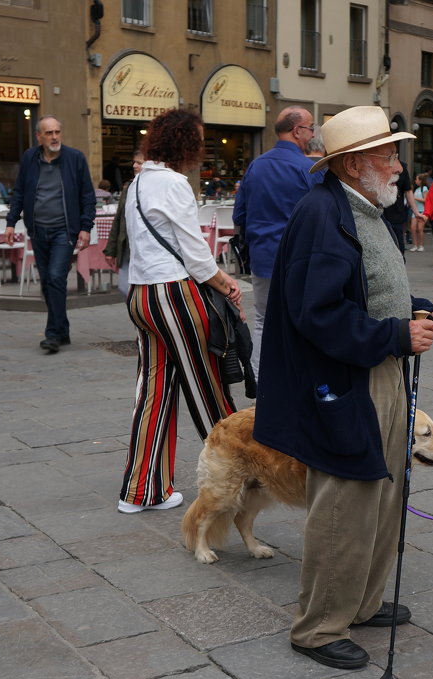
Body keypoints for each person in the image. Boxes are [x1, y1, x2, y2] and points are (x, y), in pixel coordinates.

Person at [254, 105, 433, 670]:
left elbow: (369, 295)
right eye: (387, 153)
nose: (399, 164)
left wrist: (423, 313)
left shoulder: (363, 208)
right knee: (346, 505)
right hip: (346, 381)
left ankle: (361, 605)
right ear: (351, 164)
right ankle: (319, 628)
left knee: (383, 496)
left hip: (379, 369)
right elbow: (317, 314)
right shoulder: (325, 215)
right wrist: (398, 331)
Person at [118, 109, 244, 514]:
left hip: (141, 295)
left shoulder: (138, 182)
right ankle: (241, 478)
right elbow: (196, 255)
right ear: (184, 144)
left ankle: (140, 492)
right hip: (173, 294)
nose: (202, 149)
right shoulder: (174, 184)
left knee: (153, 394)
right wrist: (226, 283)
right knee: (208, 389)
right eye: (199, 141)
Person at [232, 107, 323, 381]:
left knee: (262, 321)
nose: (312, 133)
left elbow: (240, 215)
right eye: (310, 128)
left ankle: (261, 383)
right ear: (297, 131)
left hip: (263, 258)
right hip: (301, 260)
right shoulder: (309, 169)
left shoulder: (256, 165)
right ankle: (298, 380)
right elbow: (323, 215)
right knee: (302, 321)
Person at [4, 114, 96, 354]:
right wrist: (11, 222)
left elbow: (87, 195)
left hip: (64, 230)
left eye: (57, 132)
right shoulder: (29, 158)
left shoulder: (75, 158)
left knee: (56, 276)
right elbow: (20, 192)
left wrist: (86, 227)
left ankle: (52, 335)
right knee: (47, 282)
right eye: (49, 133)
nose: (54, 137)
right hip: (37, 230)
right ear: (39, 136)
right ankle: (62, 328)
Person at [104, 150, 143, 291]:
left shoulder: (157, 187)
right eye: (134, 162)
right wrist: (111, 249)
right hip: (127, 245)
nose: (134, 166)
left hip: (146, 249)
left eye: (139, 163)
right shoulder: (128, 187)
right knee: (124, 287)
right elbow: (119, 218)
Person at [409, 173, 429, 252]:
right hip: (415, 211)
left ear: (420, 181)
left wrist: (415, 198)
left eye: (417, 179)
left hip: (422, 211)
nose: (415, 181)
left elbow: (425, 200)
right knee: (413, 228)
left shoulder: (424, 188)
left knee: (420, 229)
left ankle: (421, 245)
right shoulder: (417, 189)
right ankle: (415, 245)